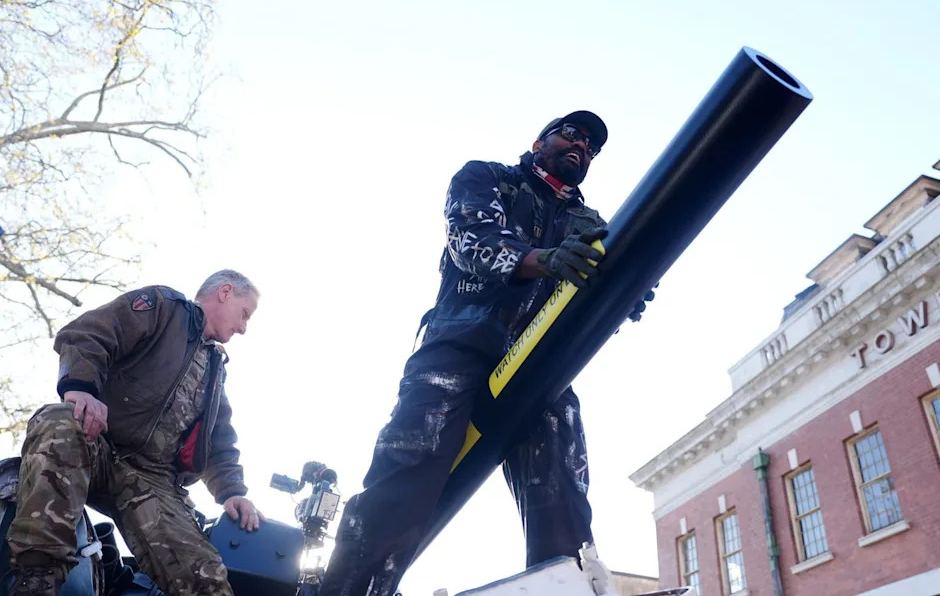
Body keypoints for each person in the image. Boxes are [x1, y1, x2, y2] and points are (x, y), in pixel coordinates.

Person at [319, 111, 654, 596]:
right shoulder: (488, 177)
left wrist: (627, 294)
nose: (582, 144)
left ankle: (565, 588)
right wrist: (543, 260)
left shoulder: (593, 224)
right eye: (571, 134)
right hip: (462, 338)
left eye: (591, 145)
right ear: (539, 141)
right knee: (408, 471)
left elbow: (602, 289)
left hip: (543, 355)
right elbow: (471, 241)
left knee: (561, 489)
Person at [5, 269, 264, 596]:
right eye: (245, 314)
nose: (243, 328)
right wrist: (81, 389)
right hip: (96, 442)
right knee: (60, 421)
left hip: (152, 480)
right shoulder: (164, 308)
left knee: (206, 580)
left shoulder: (215, 370)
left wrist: (231, 491)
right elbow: (89, 334)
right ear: (226, 292)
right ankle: (36, 581)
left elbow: (219, 442)